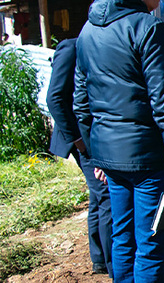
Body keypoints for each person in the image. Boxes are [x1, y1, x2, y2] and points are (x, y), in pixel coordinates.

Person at [73, 0, 164, 283]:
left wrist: (97, 157)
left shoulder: (87, 31)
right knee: (153, 247)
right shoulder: (149, 29)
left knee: (122, 240)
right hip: (148, 164)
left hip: (111, 161)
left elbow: (81, 102)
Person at [47, 37, 113, 277]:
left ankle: (99, 259)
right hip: (82, 138)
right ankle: (112, 262)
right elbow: (54, 97)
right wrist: (77, 139)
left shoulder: (100, 44)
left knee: (97, 196)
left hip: (95, 135)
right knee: (105, 192)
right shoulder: (71, 47)